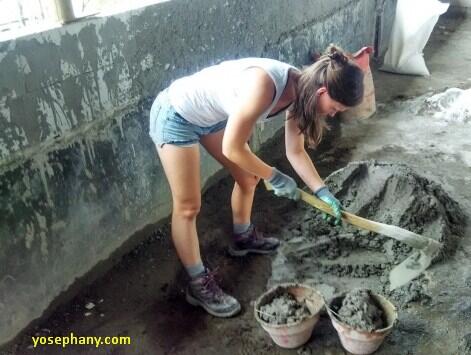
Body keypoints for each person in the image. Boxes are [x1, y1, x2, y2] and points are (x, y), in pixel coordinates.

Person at [149, 45, 364, 318]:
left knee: (248, 178)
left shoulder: (303, 91)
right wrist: (273, 175)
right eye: (334, 108)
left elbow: (295, 150)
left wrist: (322, 192)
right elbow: (232, 148)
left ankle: (242, 238)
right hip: (177, 114)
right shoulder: (265, 85)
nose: (333, 114)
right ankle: (197, 283)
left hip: (211, 116)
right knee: (188, 206)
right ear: (323, 92)